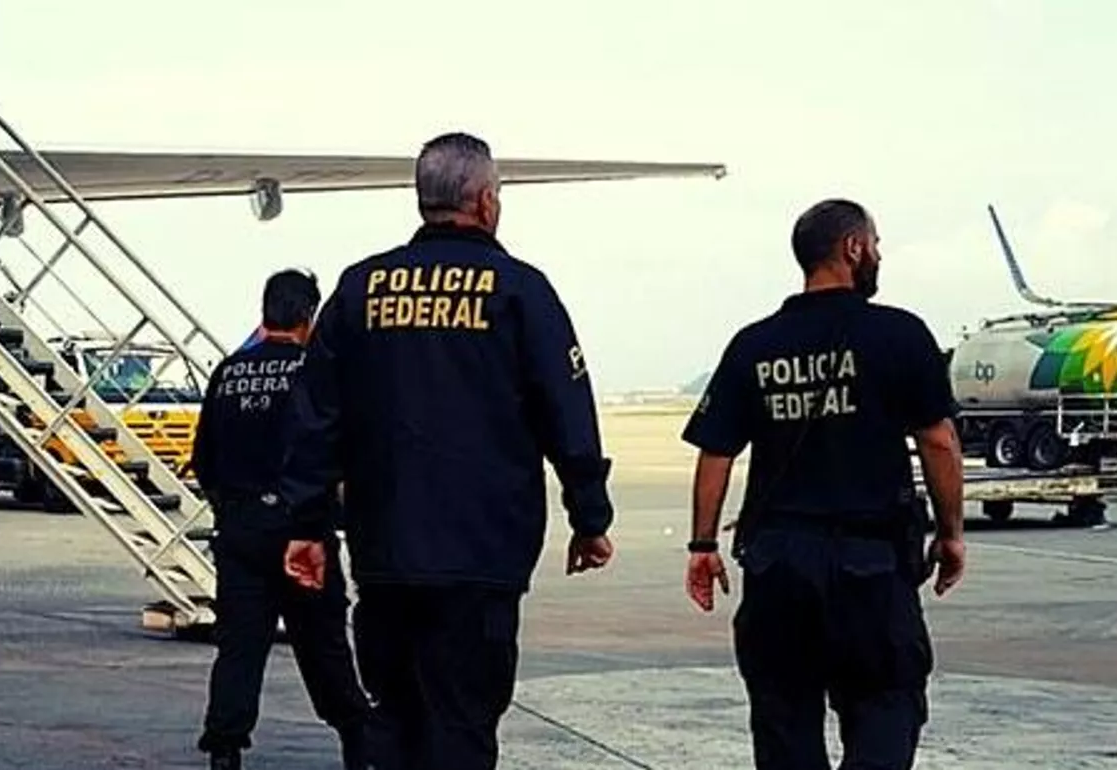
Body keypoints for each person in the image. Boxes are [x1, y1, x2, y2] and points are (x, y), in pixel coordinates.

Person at [274, 132, 617, 770]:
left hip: (386, 556)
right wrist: (589, 515)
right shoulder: (520, 291)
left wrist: (306, 526)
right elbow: (566, 410)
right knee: (462, 725)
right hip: (479, 559)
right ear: (486, 202)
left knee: (396, 720)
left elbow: (315, 419)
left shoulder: (358, 289)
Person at [680, 198, 968, 769]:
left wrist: (703, 545)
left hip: (779, 566)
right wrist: (951, 534)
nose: (879, 255)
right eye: (876, 243)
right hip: (870, 565)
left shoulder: (753, 344)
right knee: (886, 705)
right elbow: (938, 441)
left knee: (784, 715)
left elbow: (717, 451)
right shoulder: (900, 334)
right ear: (852, 248)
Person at [192, 269, 371, 770]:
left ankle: (224, 746)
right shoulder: (316, 371)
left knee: (239, 648)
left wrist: (232, 511)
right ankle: (357, 737)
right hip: (302, 528)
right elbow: (335, 451)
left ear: (265, 311)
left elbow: (204, 459)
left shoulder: (227, 373)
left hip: (241, 530)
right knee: (323, 646)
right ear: (308, 316)